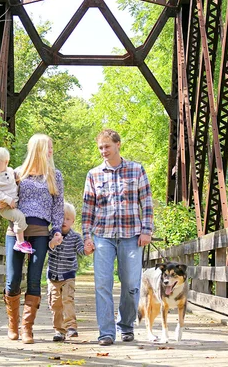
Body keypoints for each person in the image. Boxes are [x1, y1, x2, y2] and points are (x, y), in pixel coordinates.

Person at [81, 129, 154, 346]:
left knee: (131, 284)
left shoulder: (136, 169)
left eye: (107, 146)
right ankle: (106, 332)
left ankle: (126, 325)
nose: (104, 151)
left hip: (132, 235)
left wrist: (147, 230)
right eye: (101, 147)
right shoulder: (93, 175)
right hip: (103, 235)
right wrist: (87, 237)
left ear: (118, 145)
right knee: (102, 284)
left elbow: (147, 202)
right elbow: (87, 209)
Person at [0, 134, 64, 344]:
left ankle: (27, 328)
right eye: (49, 147)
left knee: (34, 279)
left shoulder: (55, 176)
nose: (52, 150)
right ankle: (12, 325)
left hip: (41, 233)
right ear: (38, 149)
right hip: (16, 232)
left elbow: (58, 205)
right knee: (12, 279)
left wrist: (57, 230)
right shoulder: (17, 173)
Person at [46, 202, 90, 342]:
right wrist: (53, 242)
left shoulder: (75, 237)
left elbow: (81, 251)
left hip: (68, 275)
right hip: (53, 275)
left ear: (72, 221)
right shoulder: (50, 234)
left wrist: (87, 249)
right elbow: (46, 249)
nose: (64, 221)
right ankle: (59, 330)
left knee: (68, 300)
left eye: (68, 219)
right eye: (61, 218)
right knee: (55, 303)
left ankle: (71, 327)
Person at [0, 147, 33, 254]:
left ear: (6, 162)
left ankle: (20, 240)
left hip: (14, 204)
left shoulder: (11, 171)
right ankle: (20, 242)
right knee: (19, 217)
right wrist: (7, 200)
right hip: (5, 207)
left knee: (19, 217)